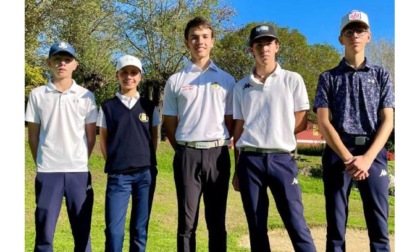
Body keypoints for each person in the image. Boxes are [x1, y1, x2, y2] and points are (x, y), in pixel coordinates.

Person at [313, 10, 395, 252]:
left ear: (368, 36)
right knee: (336, 229)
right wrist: (349, 159)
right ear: (341, 38)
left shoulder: (381, 75)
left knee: (379, 228)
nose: (355, 36)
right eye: (349, 31)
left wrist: (367, 159)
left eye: (360, 31)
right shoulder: (328, 77)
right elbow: (323, 122)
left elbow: (388, 120)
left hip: (373, 154)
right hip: (339, 155)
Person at [232, 24, 316, 252]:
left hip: (282, 160)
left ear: (277, 46)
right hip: (250, 162)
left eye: (268, 43)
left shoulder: (292, 79)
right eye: (258, 44)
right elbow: (238, 128)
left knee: (296, 223)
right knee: (256, 226)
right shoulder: (241, 86)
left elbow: (301, 122)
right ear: (251, 49)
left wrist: (276, 132)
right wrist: (237, 168)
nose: (264, 48)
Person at [162, 16, 235, 252]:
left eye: (205, 37)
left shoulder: (227, 80)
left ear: (213, 41)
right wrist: (183, 150)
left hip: (218, 155)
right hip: (187, 156)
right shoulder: (175, 80)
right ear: (187, 42)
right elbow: (170, 123)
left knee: (216, 222)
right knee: (186, 223)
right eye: (194, 37)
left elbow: (231, 121)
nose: (199, 41)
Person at [25, 41, 98, 252]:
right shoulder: (38, 95)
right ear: (49, 63)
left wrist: (79, 159)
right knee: (44, 234)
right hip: (48, 172)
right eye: (57, 59)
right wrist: (43, 161)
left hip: (78, 172)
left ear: (75, 64)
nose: (62, 63)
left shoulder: (86, 96)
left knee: (82, 234)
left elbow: (90, 137)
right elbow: (33, 137)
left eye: (67, 59)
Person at [96, 54, 160, 252]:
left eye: (134, 73)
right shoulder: (107, 107)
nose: (129, 77)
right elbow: (103, 140)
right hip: (118, 177)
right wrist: (116, 163)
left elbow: (154, 139)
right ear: (117, 76)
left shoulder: (150, 107)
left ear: (140, 77)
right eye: (124, 72)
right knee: (114, 232)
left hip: (145, 176)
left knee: (140, 229)